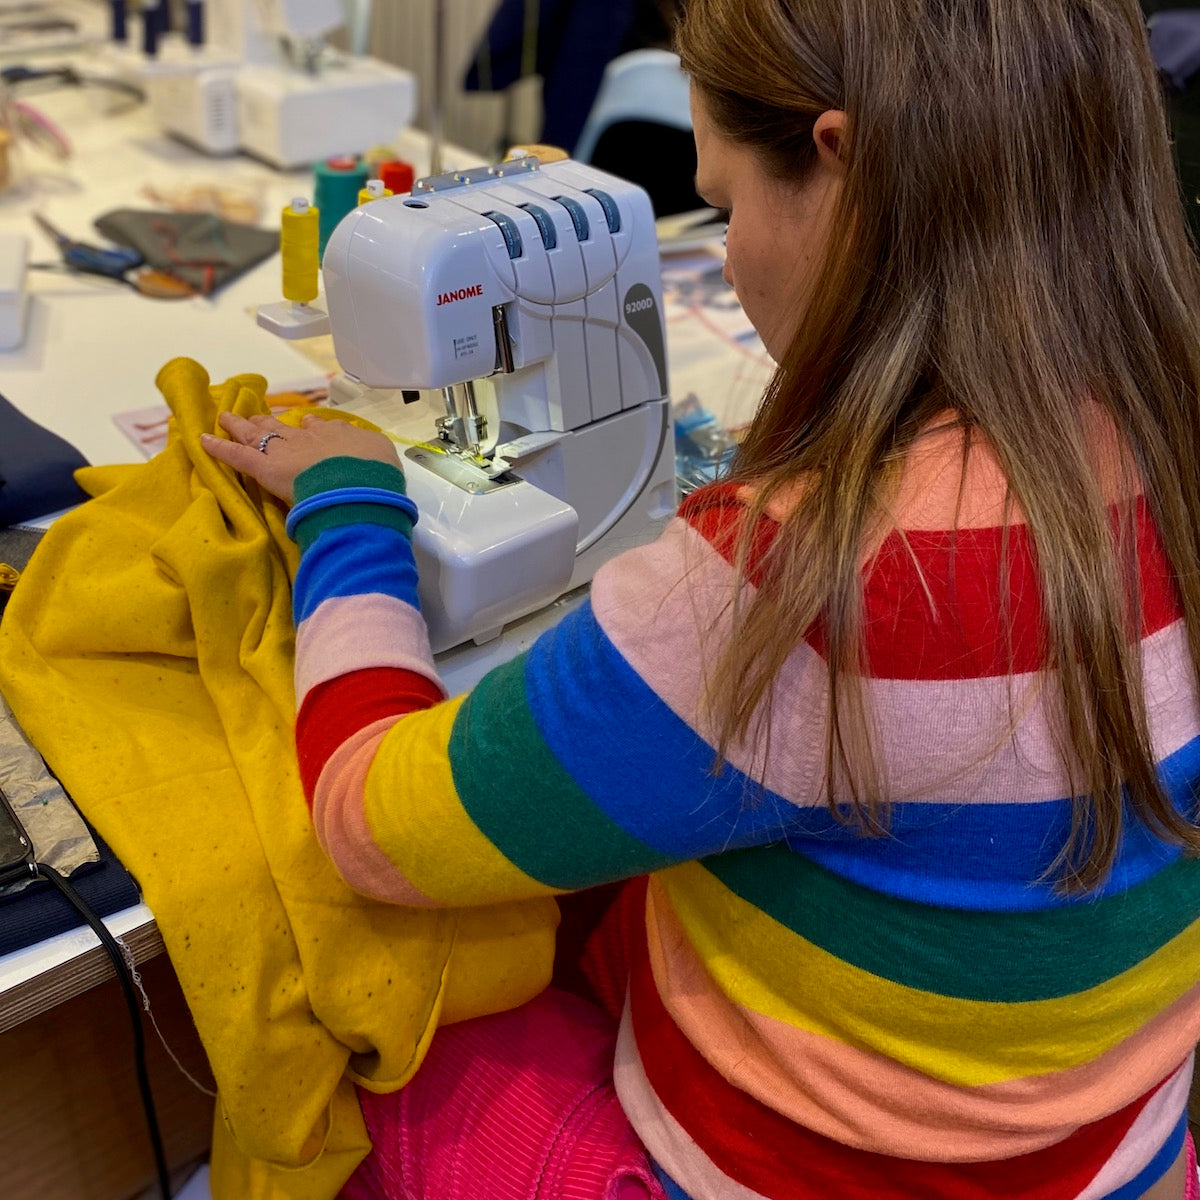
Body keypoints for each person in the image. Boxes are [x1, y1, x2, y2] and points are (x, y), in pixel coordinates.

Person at [201, 0, 1200, 1196]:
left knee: (366, 1042)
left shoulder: (791, 584)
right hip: (1122, 1158)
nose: (725, 254)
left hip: (796, 1179)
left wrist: (352, 504)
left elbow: (368, 818)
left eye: (725, 208)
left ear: (843, 169)